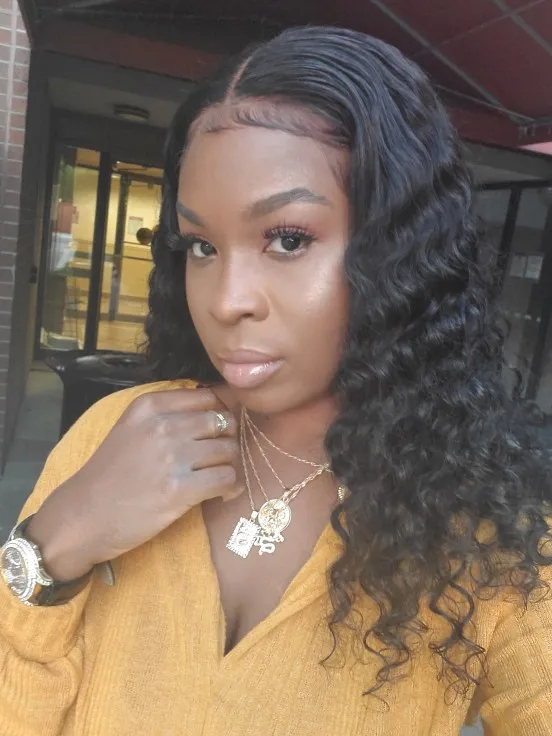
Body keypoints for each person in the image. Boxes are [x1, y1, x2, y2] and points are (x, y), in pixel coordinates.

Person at [1, 26, 551, 736]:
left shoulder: (493, 529)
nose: (226, 300)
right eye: (201, 245)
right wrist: (53, 544)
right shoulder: (120, 432)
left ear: (402, 252)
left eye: (288, 239)